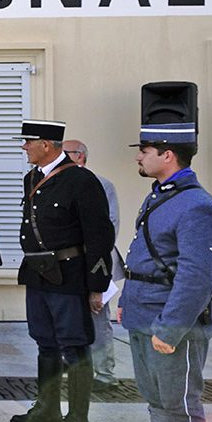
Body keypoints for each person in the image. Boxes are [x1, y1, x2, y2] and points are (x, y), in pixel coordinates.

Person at [115, 122, 212, 422]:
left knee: (182, 406)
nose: (138, 156)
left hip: (173, 322)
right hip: (145, 314)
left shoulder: (197, 205)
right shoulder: (161, 195)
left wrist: (173, 327)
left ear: (167, 154)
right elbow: (142, 253)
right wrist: (128, 298)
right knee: (157, 402)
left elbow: (198, 274)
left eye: (144, 149)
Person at [9, 120, 114, 422]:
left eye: (29, 142)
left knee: (74, 344)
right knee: (45, 341)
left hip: (70, 273)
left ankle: (79, 420)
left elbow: (99, 235)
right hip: (39, 272)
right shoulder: (33, 177)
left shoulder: (81, 180)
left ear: (47, 144)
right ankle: (48, 408)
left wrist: (97, 284)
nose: (24, 147)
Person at [63, 139, 122, 392]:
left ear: (81, 157)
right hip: (66, 266)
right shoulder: (57, 183)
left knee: (97, 318)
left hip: (94, 264)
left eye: (66, 153)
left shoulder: (101, 184)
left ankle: (105, 373)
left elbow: (109, 226)